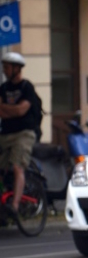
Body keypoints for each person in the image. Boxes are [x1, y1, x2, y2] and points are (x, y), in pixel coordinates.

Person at [0, 52, 42, 213]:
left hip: (24, 134)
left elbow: (21, 110)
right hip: (5, 134)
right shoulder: (3, 88)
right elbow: (6, 112)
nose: (4, 70)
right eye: (4, 67)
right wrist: (12, 110)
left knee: (18, 166)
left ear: (17, 68)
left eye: (7, 67)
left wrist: (7, 109)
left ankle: (15, 205)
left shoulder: (26, 87)